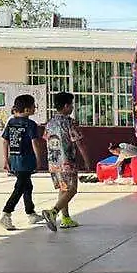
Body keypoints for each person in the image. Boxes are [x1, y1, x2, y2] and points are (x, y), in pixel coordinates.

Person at [0, 95, 46, 231]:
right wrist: (39, 159)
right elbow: (34, 142)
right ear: (26, 109)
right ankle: (6, 213)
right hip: (26, 160)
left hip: (14, 159)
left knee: (27, 186)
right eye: (33, 106)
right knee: (19, 188)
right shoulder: (30, 124)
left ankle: (30, 213)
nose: (34, 108)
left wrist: (6, 159)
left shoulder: (11, 122)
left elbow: (5, 141)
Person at [43, 92, 89, 230]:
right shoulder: (69, 123)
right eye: (71, 105)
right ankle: (53, 212)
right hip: (67, 161)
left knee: (63, 189)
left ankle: (66, 218)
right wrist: (87, 160)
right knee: (72, 190)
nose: (72, 108)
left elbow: (46, 138)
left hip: (53, 162)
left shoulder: (50, 123)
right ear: (66, 106)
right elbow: (79, 143)